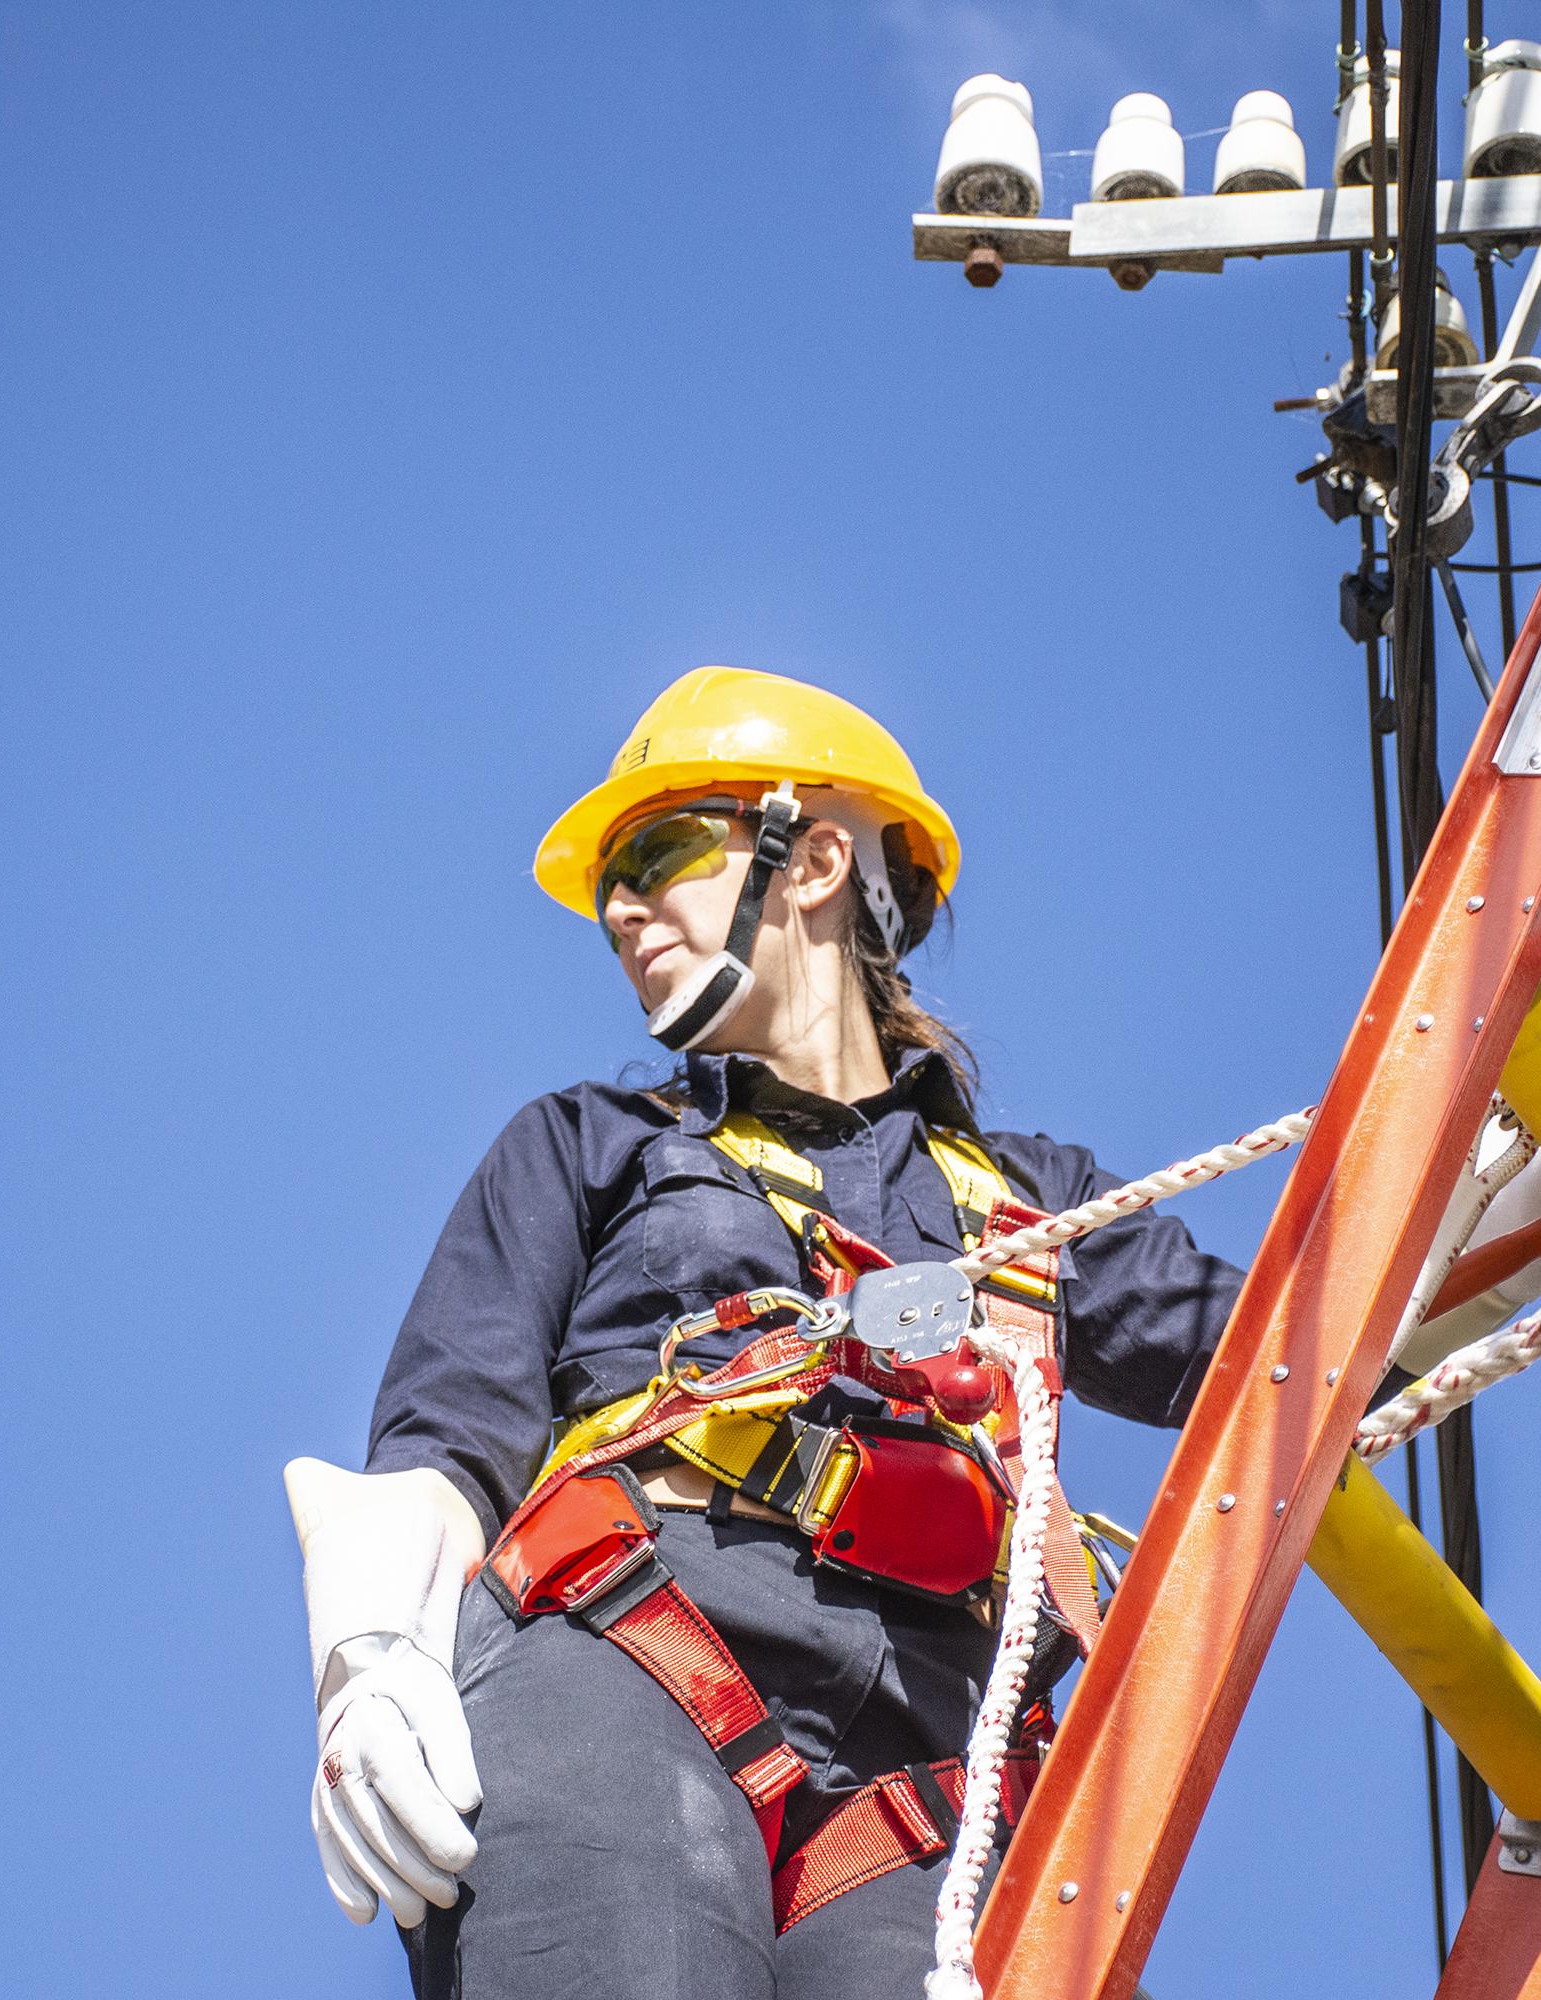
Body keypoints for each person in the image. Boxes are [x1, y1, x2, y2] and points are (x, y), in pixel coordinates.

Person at [286, 667, 1251, 1999]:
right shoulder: (596, 1149)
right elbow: (445, 1445)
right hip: (638, 1642)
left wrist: (1539, 1188)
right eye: (611, 880)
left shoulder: (1023, 1205)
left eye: (660, 852)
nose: (620, 908)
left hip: (935, 1778)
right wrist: (370, 1666)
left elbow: (1317, 1347)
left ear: (815, 859)